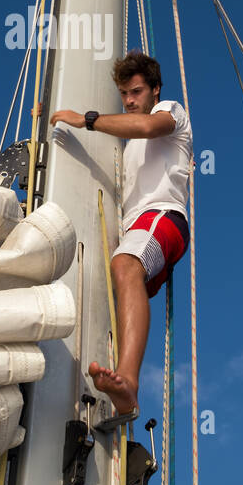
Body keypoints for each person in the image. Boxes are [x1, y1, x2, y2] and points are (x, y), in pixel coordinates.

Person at [49, 50, 193, 417]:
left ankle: (128, 381)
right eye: (124, 95)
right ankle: (112, 383)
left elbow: (147, 127)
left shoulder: (172, 112)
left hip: (163, 218)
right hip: (138, 230)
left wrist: (87, 120)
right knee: (119, 284)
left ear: (156, 91)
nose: (130, 101)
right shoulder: (128, 147)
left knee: (126, 264)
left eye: (137, 92)